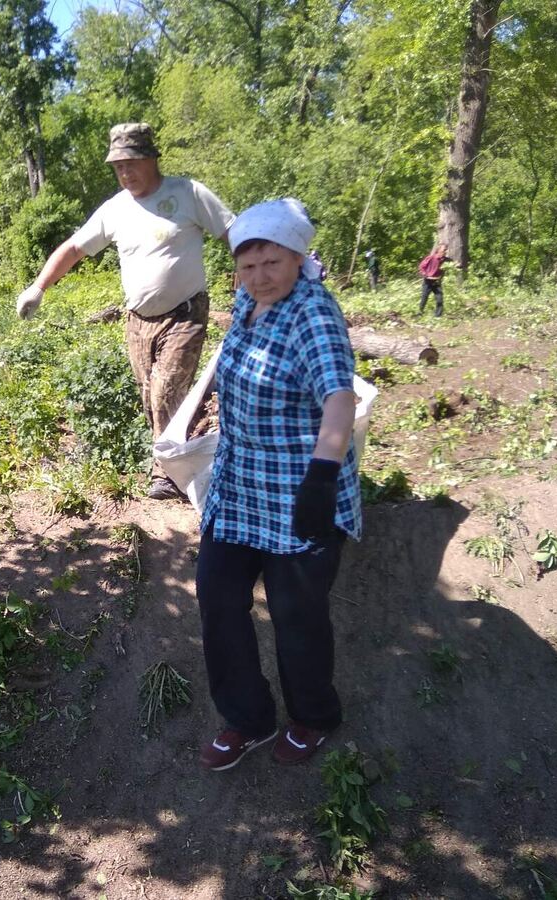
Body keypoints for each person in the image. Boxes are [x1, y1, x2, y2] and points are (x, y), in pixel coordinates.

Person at [196, 198, 360, 772]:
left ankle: (313, 717)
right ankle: (247, 718)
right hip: (239, 486)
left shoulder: (313, 313)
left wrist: (322, 477)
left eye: (272, 262)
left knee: (296, 615)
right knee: (218, 600)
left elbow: (339, 398)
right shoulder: (248, 300)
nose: (260, 276)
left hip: (298, 492)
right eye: (248, 265)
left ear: (297, 257)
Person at [15, 123, 235, 500]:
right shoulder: (115, 210)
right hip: (137, 321)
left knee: (166, 390)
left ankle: (167, 474)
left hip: (185, 313)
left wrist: (251, 285)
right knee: (150, 396)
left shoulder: (188, 193)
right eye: (117, 166)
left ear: (151, 159)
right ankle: (185, 452)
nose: (124, 173)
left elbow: (235, 232)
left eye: (131, 163)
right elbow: (73, 249)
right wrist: (39, 286)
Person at [417, 243, 450, 316]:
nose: (445, 252)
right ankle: (419, 313)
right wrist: (425, 275)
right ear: (438, 250)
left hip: (437, 281)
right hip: (428, 281)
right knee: (424, 297)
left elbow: (454, 264)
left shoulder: (445, 260)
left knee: (439, 299)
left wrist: (456, 265)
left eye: (446, 250)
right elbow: (421, 267)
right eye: (444, 250)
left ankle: (438, 316)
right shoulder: (431, 258)